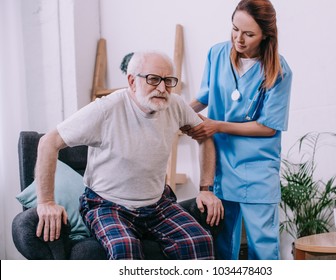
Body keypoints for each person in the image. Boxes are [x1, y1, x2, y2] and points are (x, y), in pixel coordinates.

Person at [35, 51, 224, 260]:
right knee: (125, 249)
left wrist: (206, 189)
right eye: (153, 79)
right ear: (132, 81)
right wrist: (46, 202)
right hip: (107, 205)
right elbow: (48, 142)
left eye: (168, 81)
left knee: (199, 241)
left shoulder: (175, 105)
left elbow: (205, 136)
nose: (162, 88)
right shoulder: (105, 109)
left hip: (158, 203)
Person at [184, 0, 292, 260]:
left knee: (263, 249)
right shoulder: (217, 54)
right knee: (222, 246)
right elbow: (205, 96)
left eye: (249, 34)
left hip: (257, 170)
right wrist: (177, 113)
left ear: (266, 35)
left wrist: (217, 125)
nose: (239, 39)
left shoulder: (279, 71)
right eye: (235, 29)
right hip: (221, 166)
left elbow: (268, 127)